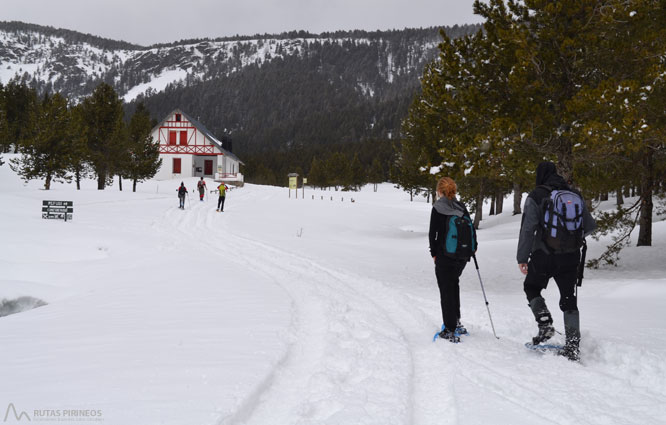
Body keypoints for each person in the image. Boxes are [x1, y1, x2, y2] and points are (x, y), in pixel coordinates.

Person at [517, 161, 597, 361]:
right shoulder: (574, 194)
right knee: (569, 297)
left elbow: (528, 229)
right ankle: (572, 346)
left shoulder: (536, 195)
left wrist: (522, 257)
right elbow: (589, 226)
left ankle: (545, 325)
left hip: (544, 255)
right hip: (571, 256)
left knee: (532, 287)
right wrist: (570, 238)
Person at [429, 177, 471, 343]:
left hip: (444, 256)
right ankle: (457, 322)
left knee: (446, 290)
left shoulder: (438, 208)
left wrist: (434, 253)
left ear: (439, 191)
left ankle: (449, 329)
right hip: (461, 256)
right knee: (454, 285)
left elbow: (433, 234)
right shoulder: (461, 207)